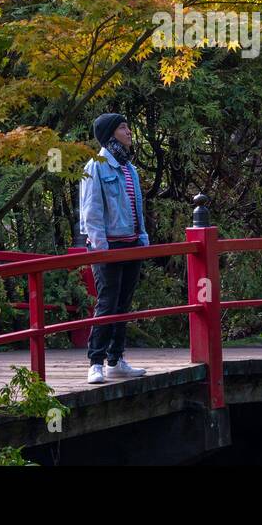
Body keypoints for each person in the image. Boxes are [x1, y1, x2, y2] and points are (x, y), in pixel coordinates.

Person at [79, 112, 149, 384]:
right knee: (107, 303)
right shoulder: (95, 166)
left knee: (124, 304)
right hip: (108, 246)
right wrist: (101, 248)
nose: (129, 131)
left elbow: (137, 209)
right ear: (110, 134)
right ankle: (95, 361)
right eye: (123, 127)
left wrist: (143, 239)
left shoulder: (129, 168)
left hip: (131, 244)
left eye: (128, 126)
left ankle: (116, 359)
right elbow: (91, 212)